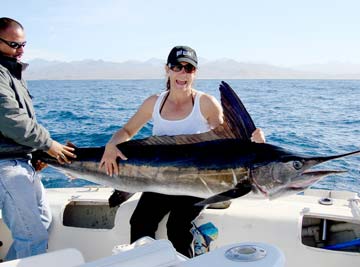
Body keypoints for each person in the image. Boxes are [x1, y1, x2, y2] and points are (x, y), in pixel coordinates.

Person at [99, 45, 265, 257]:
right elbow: (127, 130)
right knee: (140, 222)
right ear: (167, 69)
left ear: (195, 73)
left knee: (177, 226)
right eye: (177, 67)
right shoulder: (154, 102)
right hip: (161, 180)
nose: (183, 73)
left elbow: (229, 141)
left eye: (189, 69)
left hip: (198, 182)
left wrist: (255, 142)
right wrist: (112, 145)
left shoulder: (205, 103)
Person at [0, 17, 76, 261]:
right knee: (32, 237)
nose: (21, 50)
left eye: (23, 44)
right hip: (5, 166)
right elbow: (11, 120)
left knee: (44, 220)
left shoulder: (13, 72)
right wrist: (49, 144)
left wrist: (35, 154)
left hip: (21, 162)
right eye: (14, 45)